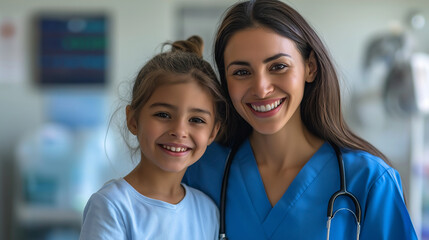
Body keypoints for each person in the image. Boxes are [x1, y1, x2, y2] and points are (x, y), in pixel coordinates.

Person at [183, 0, 418, 239]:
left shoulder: (369, 180)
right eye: (241, 72)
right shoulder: (199, 171)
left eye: (278, 66)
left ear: (310, 67)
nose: (261, 89)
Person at [79, 36, 227, 240]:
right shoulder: (112, 206)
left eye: (196, 119)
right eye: (163, 115)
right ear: (133, 120)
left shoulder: (208, 211)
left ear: (213, 132)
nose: (179, 131)